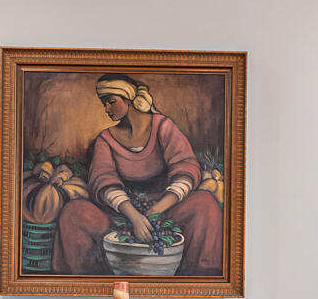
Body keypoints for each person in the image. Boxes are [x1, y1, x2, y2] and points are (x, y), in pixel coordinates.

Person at [53, 73, 224, 275]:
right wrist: (134, 217)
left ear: (128, 99)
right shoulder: (105, 139)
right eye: (104, 104)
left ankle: (200, 282)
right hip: (119, 215)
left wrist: (155, 212)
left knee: (205, 204)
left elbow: (185, 167)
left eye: (111, 102)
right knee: (73, 212)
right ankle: (85, 289)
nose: (107, 109)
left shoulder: (162, 126)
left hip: (167, 211)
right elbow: (103, 179)